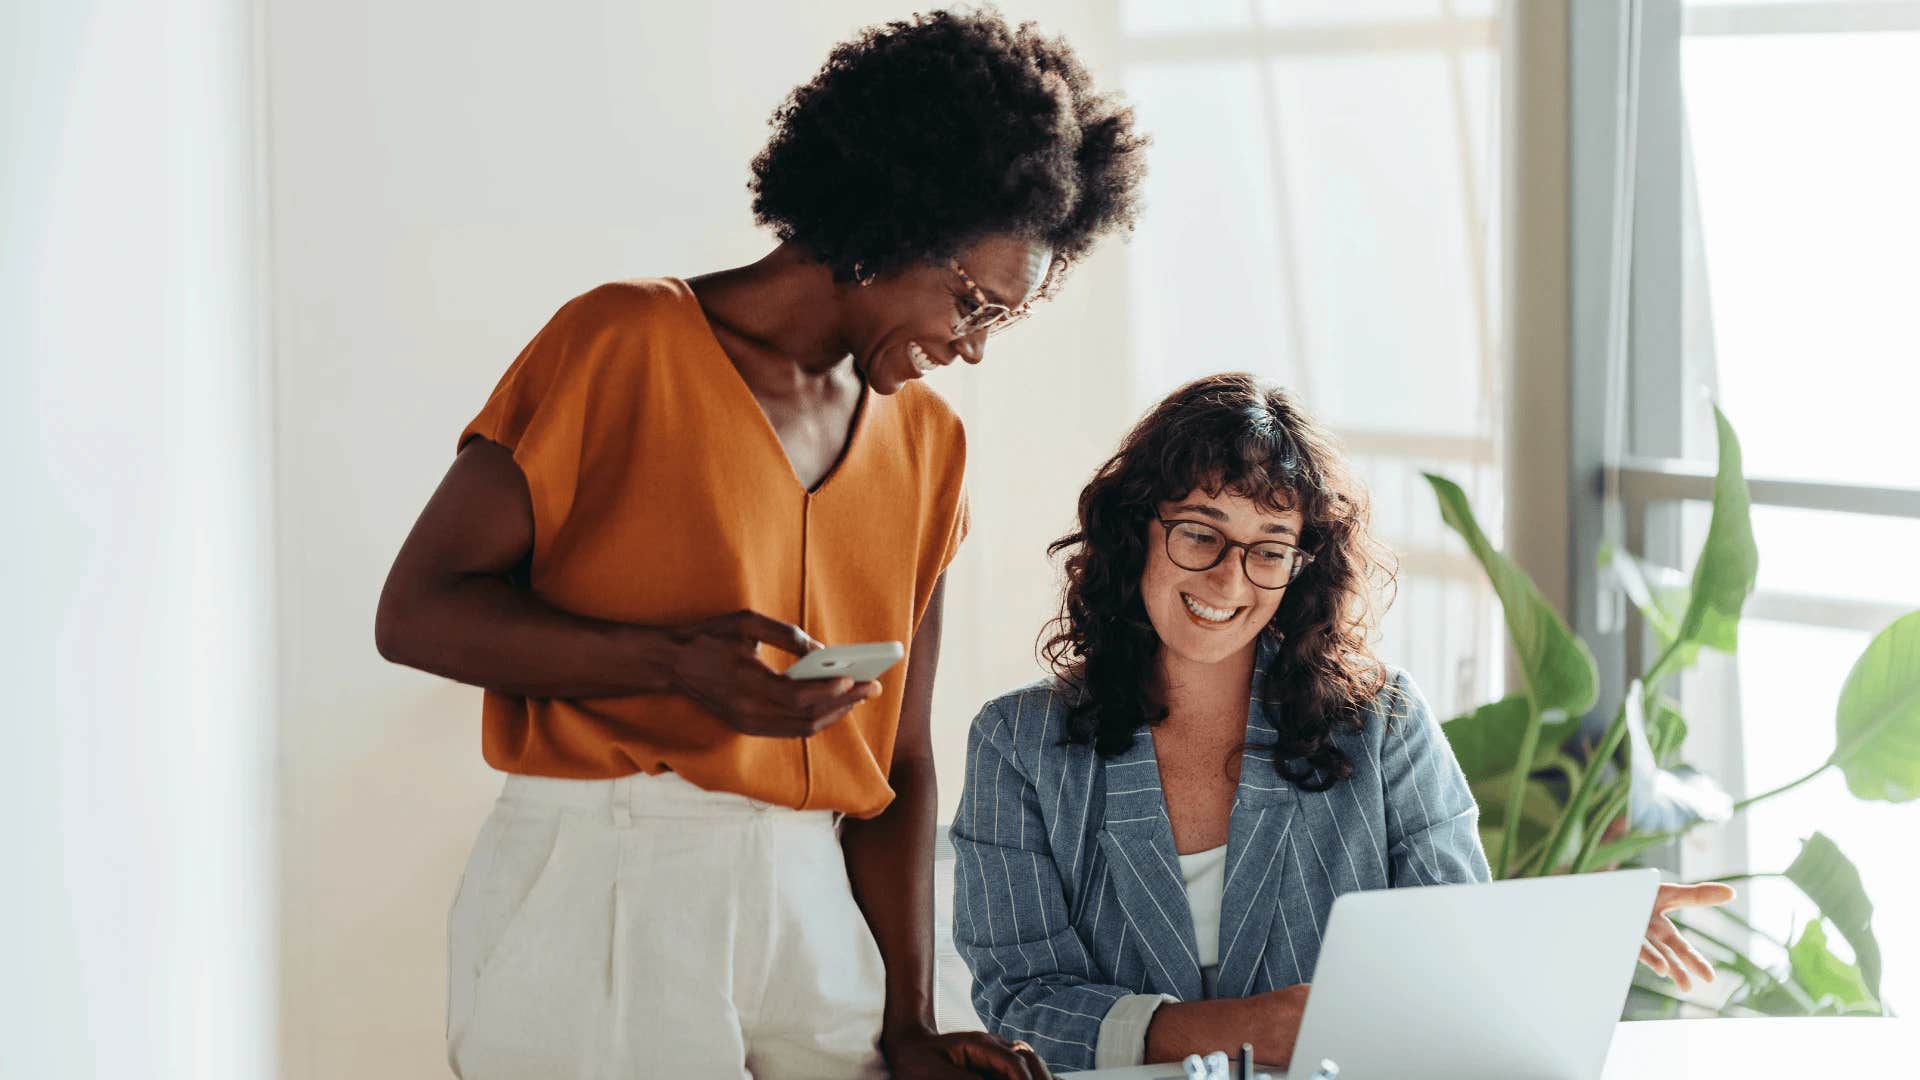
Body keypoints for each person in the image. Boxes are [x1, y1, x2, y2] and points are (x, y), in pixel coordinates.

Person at [373, 10, 1145, 1078]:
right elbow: (417, 611)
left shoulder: (930, 443)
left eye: (999, 322)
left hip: (815, 901)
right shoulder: (623, 341)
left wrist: (910, 1023)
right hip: (611, 875)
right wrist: (669, 664)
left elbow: (901, 759)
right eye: (971, 302)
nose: (970, 347)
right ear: (891, 220)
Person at [950, 373, 1734, 1074]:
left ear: (1301, 568)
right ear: (1136, 532)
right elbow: (1023, 1002)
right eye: (1200, 533)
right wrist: (1241, 1030)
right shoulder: (1017, 743)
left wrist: (1572, 931)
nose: (1229, 578)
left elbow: (1446, 952)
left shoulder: (1384, 722)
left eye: (1269, 550)